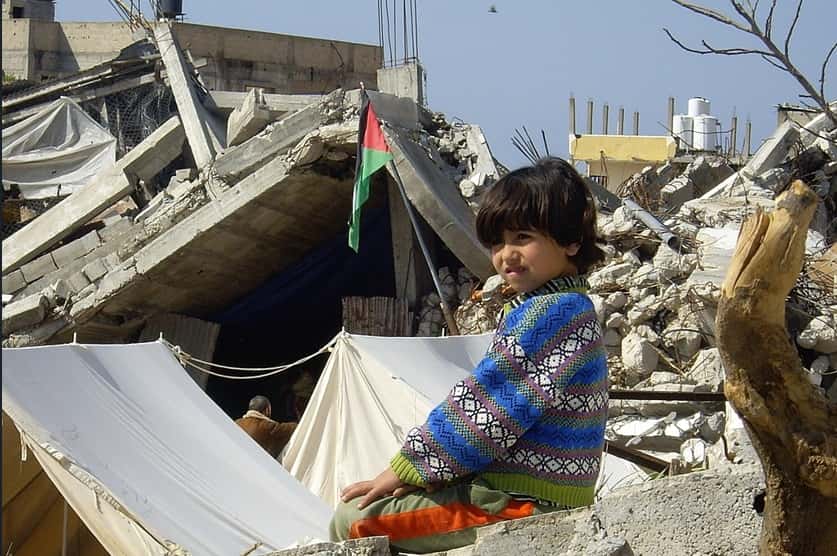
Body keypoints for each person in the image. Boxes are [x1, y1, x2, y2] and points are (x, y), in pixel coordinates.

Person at [330, 157, 609, 554]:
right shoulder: (570, 309)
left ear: (571, 241)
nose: (506, 255)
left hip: (521, 504)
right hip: (531, 494)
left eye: (522, 237)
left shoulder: (551, 313)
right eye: (497, 243)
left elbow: (486, 408)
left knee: (353, 521)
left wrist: (406, 467)